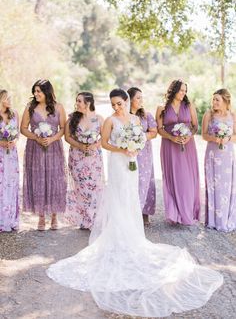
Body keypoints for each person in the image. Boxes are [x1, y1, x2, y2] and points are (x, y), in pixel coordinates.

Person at [47, 88, 223, 318]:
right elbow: (104, 144)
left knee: (131, 198)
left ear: (126, 101)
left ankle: (133, 235)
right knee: (118, 197)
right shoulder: (109, 121)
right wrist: (122, 148)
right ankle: (117, 235)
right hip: (118, 164)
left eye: (119, 103)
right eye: (113, 104)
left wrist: (135, 147)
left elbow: (141, 138)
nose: (116, 107)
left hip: (131, 163)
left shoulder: (134, 119)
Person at [21, 79, 67, 231]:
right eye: (34, 91)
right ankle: (41, 217)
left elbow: (63, 129)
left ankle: (54, 216)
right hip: (35, 148)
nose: (35, 94)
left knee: (54, 178)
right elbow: (23, 128)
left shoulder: (58, 107)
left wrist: (52, 139)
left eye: (38, 91)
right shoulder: (30, 107)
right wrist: (36, 137)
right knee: (38, 178)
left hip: (54, 148)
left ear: (47, 92)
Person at [156, 79, 200, 225]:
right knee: (172, 178)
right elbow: (160, 129)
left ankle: (187, 212)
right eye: (181, 90)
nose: (183, 93)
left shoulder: (189, 106)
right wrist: (170, 137)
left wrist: (189, 136)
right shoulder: (161, 108)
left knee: (187, 179)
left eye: (185, 91)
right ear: (173, 90)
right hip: (169, 147)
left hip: (187, 147)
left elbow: (195, 126)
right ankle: (174, 214)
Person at [64, 92, 104, 230]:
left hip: (94, 159)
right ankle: (84, 219)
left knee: (94, 186)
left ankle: (94, 218)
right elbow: (67, 137)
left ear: (88, 103)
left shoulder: (99, 119)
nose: (77, 104)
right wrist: (80, 145)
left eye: (79, 101)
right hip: (77, 158)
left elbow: (104, 138)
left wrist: (94, 145)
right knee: (80, 187)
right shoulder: (73, 119)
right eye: (76, 101)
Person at [202, 88, 236, 232]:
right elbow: (203, 135)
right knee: (213, 186)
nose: (214, 102)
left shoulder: (233, 115)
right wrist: (214, 138)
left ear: (225, 101)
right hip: (212, 154)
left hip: (227, 155)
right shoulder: (208, 115)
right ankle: (213, 220)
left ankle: (226, 219)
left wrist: (228, 138)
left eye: (217, 100)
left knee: (227, 187)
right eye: (213, 99)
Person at [127, 87, 157, 226]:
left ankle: (144, 213)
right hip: (128, 153)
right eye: (138, 97)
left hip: (144, 154)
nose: (141, 100)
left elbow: (154, 132)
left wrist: (141, 136)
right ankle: (129, 212)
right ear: (130, 99)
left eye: (141, 97)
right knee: (130, 181)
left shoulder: (146, 115)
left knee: (144, 181)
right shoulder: (123, 116)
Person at [0, 90, 19, 232]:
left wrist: (14, 141)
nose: (10, 99)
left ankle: (11, 219)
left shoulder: (14, 114)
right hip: (0, 153)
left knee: (11, 184)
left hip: (11, 154)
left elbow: (17, 134)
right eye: (7, 97)